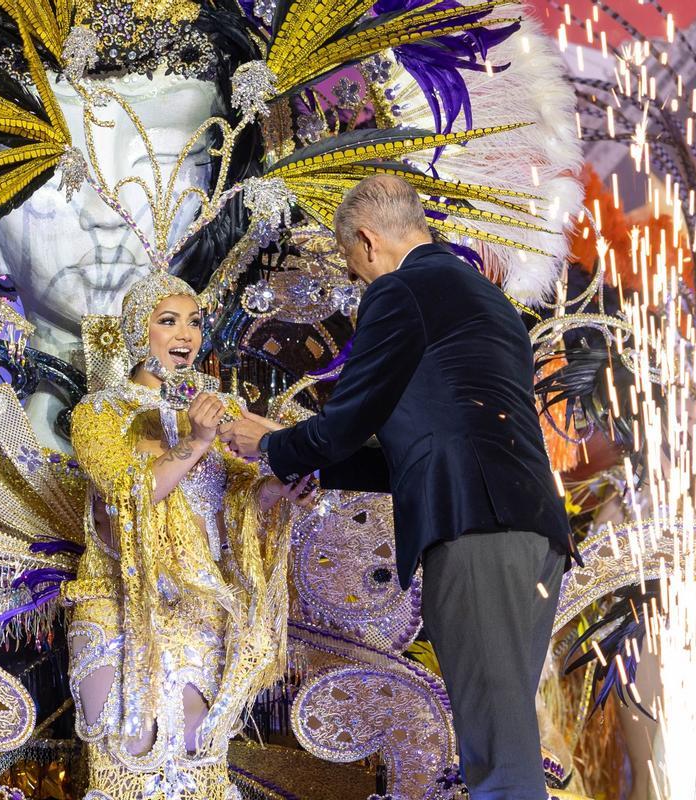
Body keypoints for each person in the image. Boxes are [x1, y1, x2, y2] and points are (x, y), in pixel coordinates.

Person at [220, 174, 579, 800]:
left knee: (499, 762)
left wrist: (270, 446)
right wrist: (312, 466)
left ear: (367, 241)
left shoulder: (400, 290)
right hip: (532, 534)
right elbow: (422, 448)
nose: (356, 280)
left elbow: (347, 422)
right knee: (503, 738)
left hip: (475, 530)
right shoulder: (487, 299)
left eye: (352, 266)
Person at [62, 270, 314, 800]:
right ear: (139, 331)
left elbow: (238, 505)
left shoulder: (220, 412)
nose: (185, 335)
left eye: (194, 323)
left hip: (201, 609)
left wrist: (279, 490)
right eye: (168, 321)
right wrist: (197, 441)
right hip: (121, 605)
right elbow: (128, 493)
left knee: (197, 761)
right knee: (130, 755)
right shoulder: (99, 412)